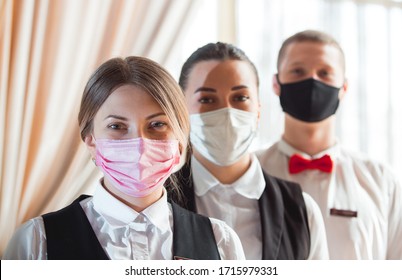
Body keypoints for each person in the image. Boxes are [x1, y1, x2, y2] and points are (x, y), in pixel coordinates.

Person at [3, 56, 245, 260]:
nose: (140, 144)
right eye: (117, 126)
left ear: (181, 139)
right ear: (90, 139)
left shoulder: (220, 243)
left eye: (157, 124)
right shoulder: (37, 242)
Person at [170, 42, 329, 260]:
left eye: (240, 98)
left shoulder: (302, 211)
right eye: (206, 99)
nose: (226, 112)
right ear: (181, 110)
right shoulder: (156, 203)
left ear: (258, 109)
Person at [256, 30, 402, 259]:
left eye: (324, 73)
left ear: (343, 88)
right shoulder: (250, 170)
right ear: (276, 83)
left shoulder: (382, 180)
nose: (312, 81)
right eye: (298, 71)